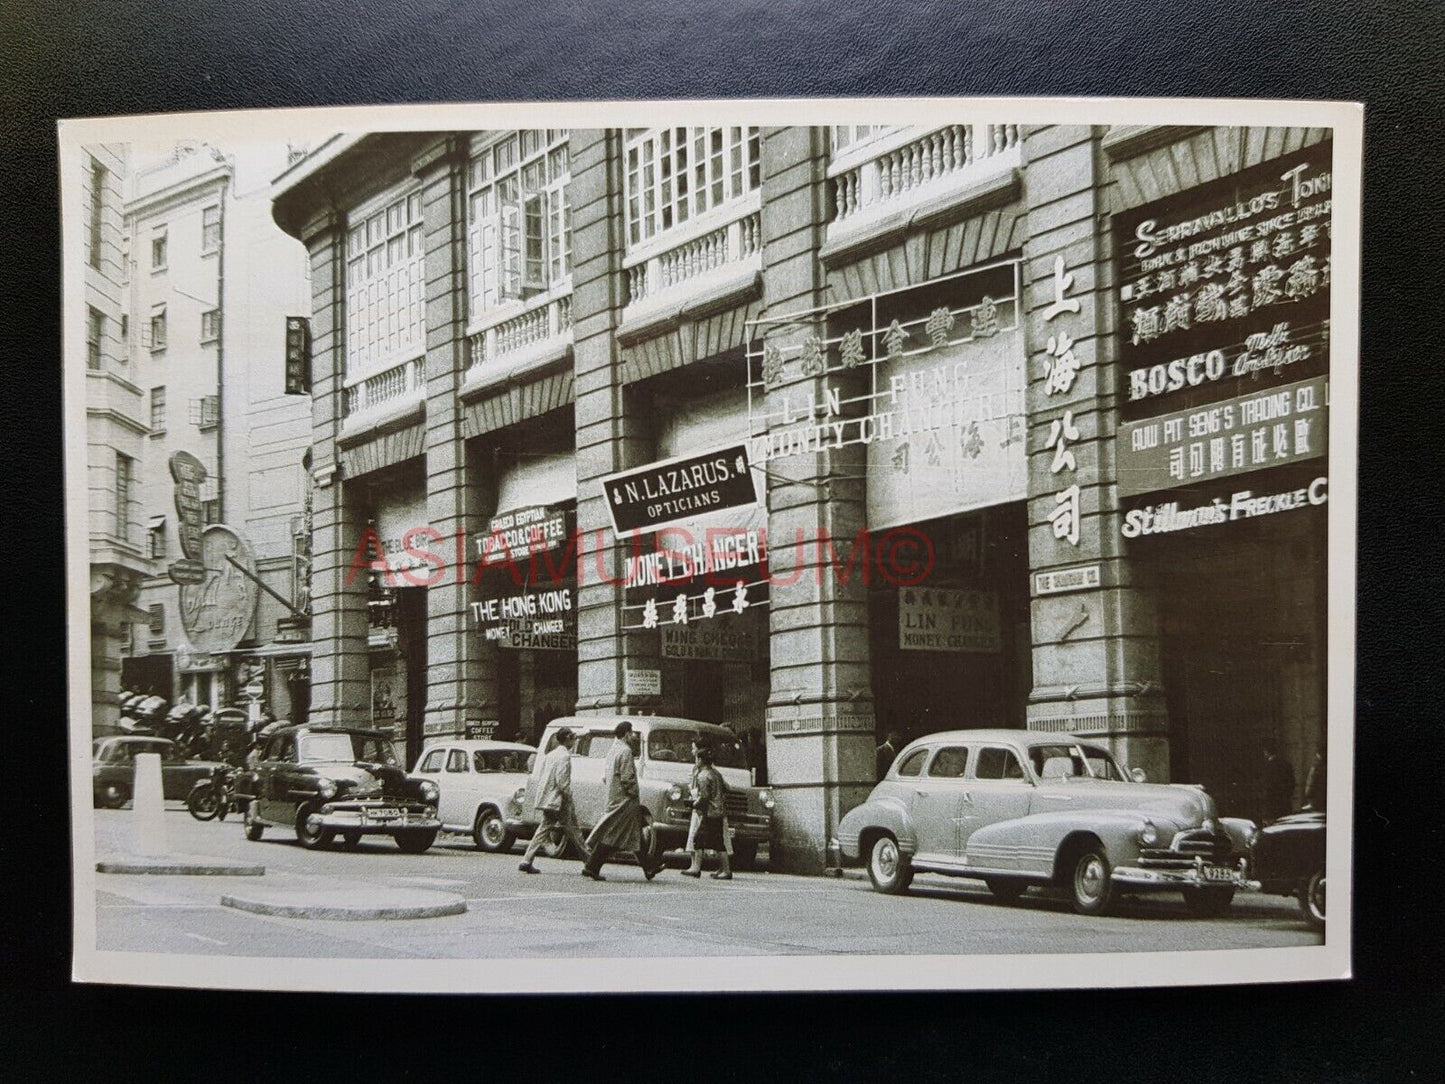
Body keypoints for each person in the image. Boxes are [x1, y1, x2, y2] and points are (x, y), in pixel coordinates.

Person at [581, 721, 663, 882]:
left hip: (615, 798)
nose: (633, 736)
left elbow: (607, 776)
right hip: (625, 802)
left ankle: (649, 867)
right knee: (615, 835)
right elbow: (627, 779)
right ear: (626, 733)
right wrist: (634, 793)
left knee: (633, 834)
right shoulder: (625, 751)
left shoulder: (613, 750)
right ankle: (592, 866)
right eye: (631, 733)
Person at [518, 728, 590, 874]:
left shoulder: (551, 755)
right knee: (574, 831)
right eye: (573, 738)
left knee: (544, 829)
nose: (574, 741)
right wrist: (569, 796)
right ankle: (590, 863)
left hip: (548, 799)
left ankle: (526, 859)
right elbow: (562, 781)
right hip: (558, 800)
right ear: (568, 739)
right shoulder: (564, 757)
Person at [681, 742, 732, 881]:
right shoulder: (716, 773)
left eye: (697, 758)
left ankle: (700, 869)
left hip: (709, 812)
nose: (696, 761)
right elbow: (727, 788)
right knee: (717, 841)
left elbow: (704, 797)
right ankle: (722, 869)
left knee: (699, 839)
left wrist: (694, 804)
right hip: (719, 811)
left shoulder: (703, 776)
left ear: (701, 760)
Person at [1261, 741, 1296, 823]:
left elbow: (1267, 786)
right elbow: (1292, 783)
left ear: (1266, 752)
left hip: (1271, 804)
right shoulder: (1286, 764)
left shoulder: (1267, 766)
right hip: (1285, 803)